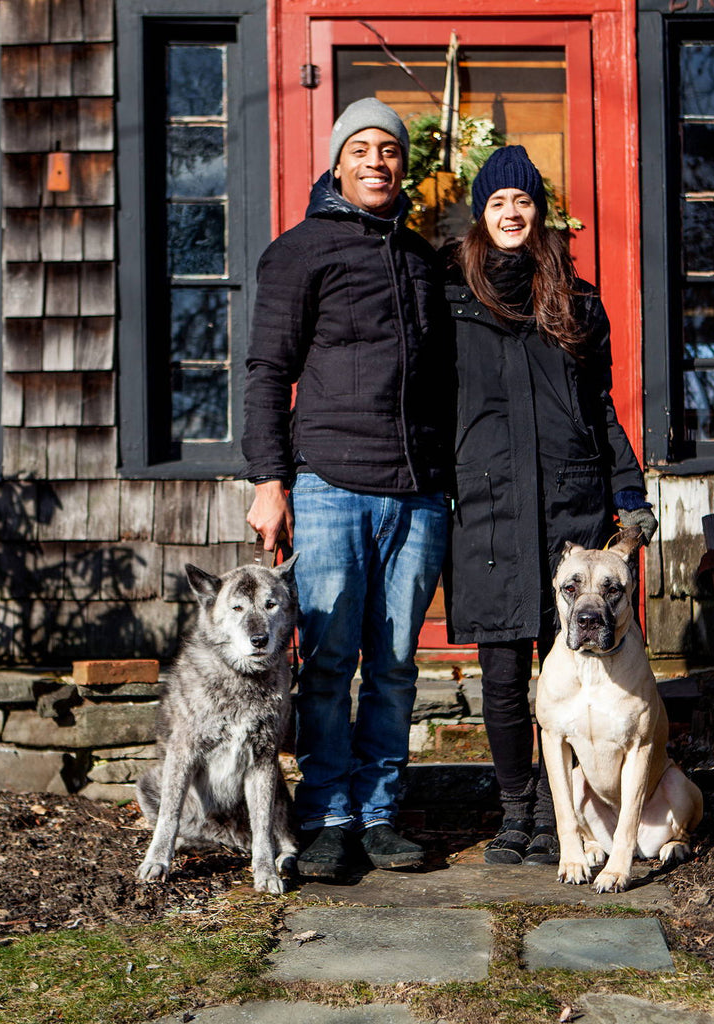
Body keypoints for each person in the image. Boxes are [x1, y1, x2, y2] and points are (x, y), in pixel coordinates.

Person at [241, 98, 451, 880]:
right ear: (337, 164)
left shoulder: (424, 260)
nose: (375, 161)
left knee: (395, 662)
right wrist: (270, 479)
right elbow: (267, 372)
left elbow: (446, 383)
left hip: (419, 492)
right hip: (329, 484)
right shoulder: (299, 252)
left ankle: (381, 811)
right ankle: (326, 813)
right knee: (329, 662)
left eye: (389, 150)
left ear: (403, 165)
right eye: (360, 148)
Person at [443, 145, 657, 865]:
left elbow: (599, 407)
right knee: (503, 670)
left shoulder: (576, 298)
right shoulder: (452, 295)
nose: (511, 212)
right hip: (490, 507)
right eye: (498, 202)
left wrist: (628, 493)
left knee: (570, 668)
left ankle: (553, 819)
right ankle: (514, 812)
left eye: (523, 202)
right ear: (482, 213)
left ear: (539, 214)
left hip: (571, 504)